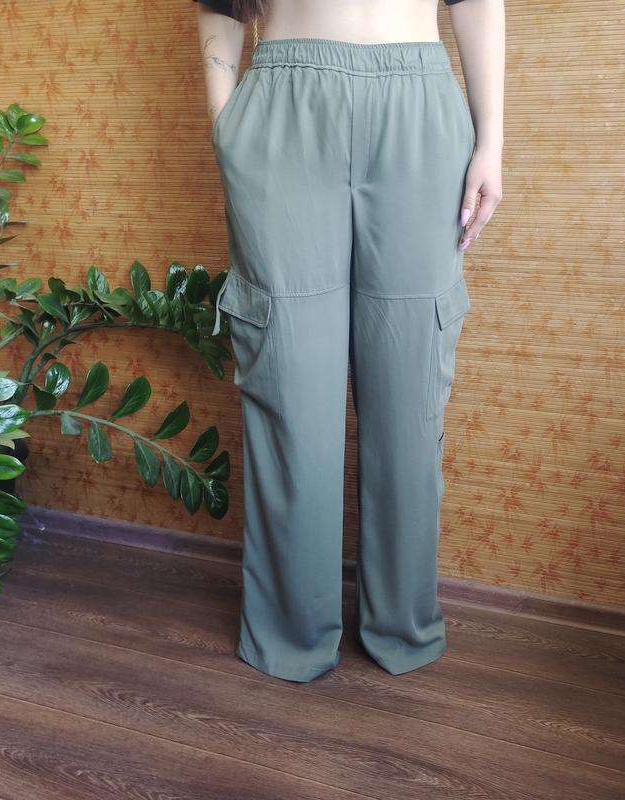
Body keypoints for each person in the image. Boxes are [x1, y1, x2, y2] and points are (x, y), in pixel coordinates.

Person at [194, 0, 504, 683]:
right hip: (282, 103)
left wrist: (492, 139)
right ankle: (290, 629)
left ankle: (402, 621)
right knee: (289, 381)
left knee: (410, 388)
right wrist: (225, 121)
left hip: (419, 106)